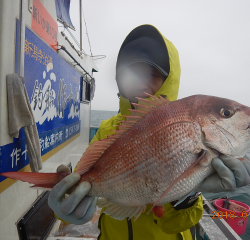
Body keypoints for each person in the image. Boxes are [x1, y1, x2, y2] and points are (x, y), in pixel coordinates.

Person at [48, 25, 250, 240]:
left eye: (152, 74)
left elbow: (177, 225)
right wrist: (69, 207)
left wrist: (188, 196)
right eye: (131, 75)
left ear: (168, 79)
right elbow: (85, 187)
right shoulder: (107, 130)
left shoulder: (183, 126)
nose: (140, 83)